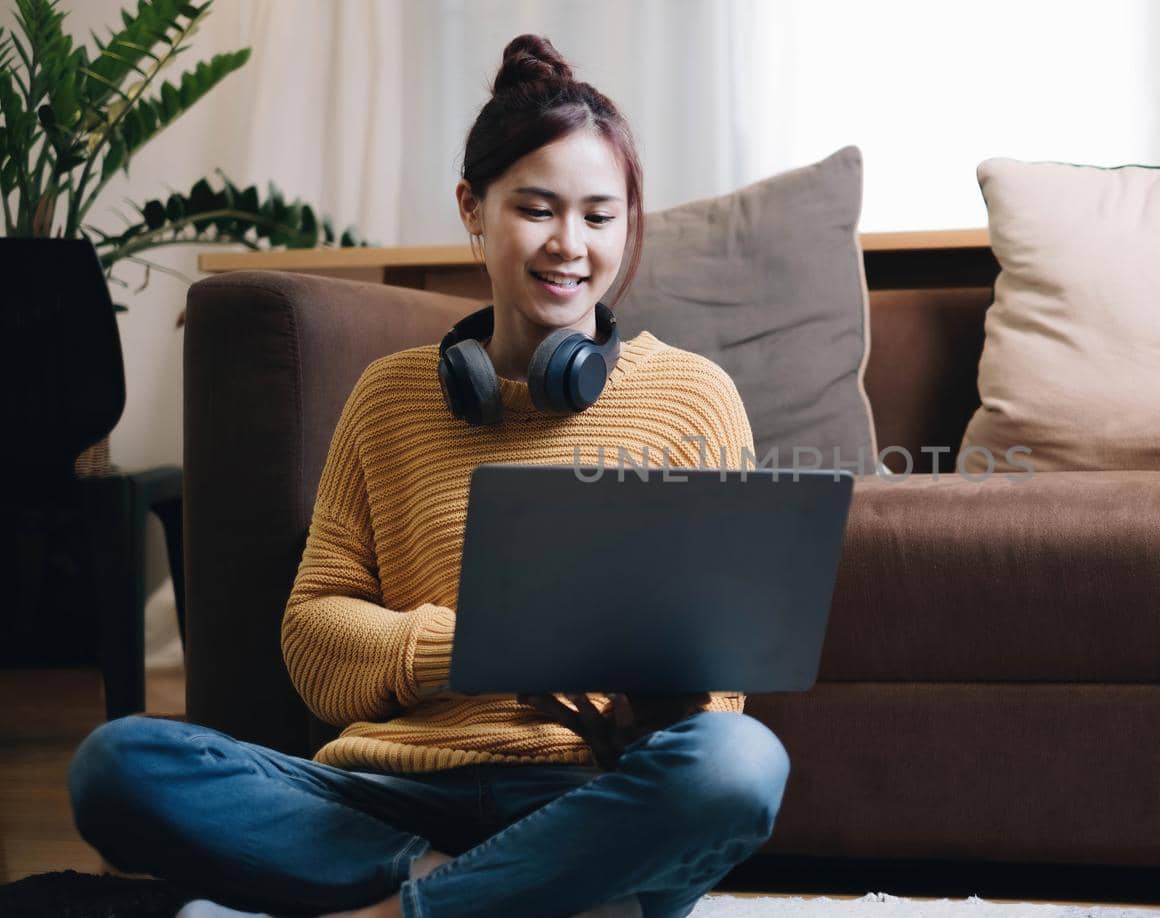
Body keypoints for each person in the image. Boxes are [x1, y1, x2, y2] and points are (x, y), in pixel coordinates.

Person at [67, 34, 789, 918]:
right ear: (472, 210)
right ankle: (493, 896)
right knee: (119, 764)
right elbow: (313, 639)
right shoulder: (390, 398)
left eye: (601, 217)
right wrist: (469, 647)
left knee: (740, 761)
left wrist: (653, 709)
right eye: (537, 208)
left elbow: (721, 687)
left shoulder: (692, 398)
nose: (571, 245)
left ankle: (404, 909)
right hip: (390, 799)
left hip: (587, 801)